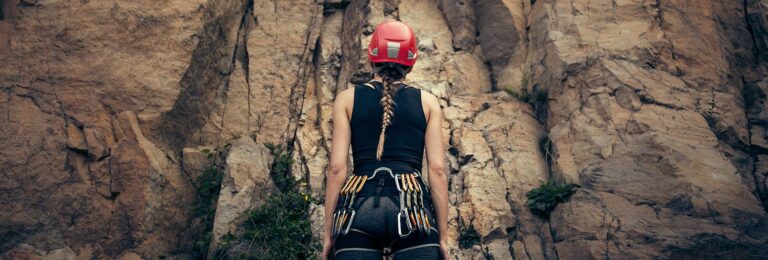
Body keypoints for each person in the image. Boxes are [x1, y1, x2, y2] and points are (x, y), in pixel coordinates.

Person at [321, 20, 449, 260]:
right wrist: (442, 237)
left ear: (372, 57)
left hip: (358, 207)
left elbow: (337, 169)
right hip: (413, 211)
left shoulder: (347, 100)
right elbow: (437, 170)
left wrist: (328, 235)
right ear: (411, 64)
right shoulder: (428, 102)